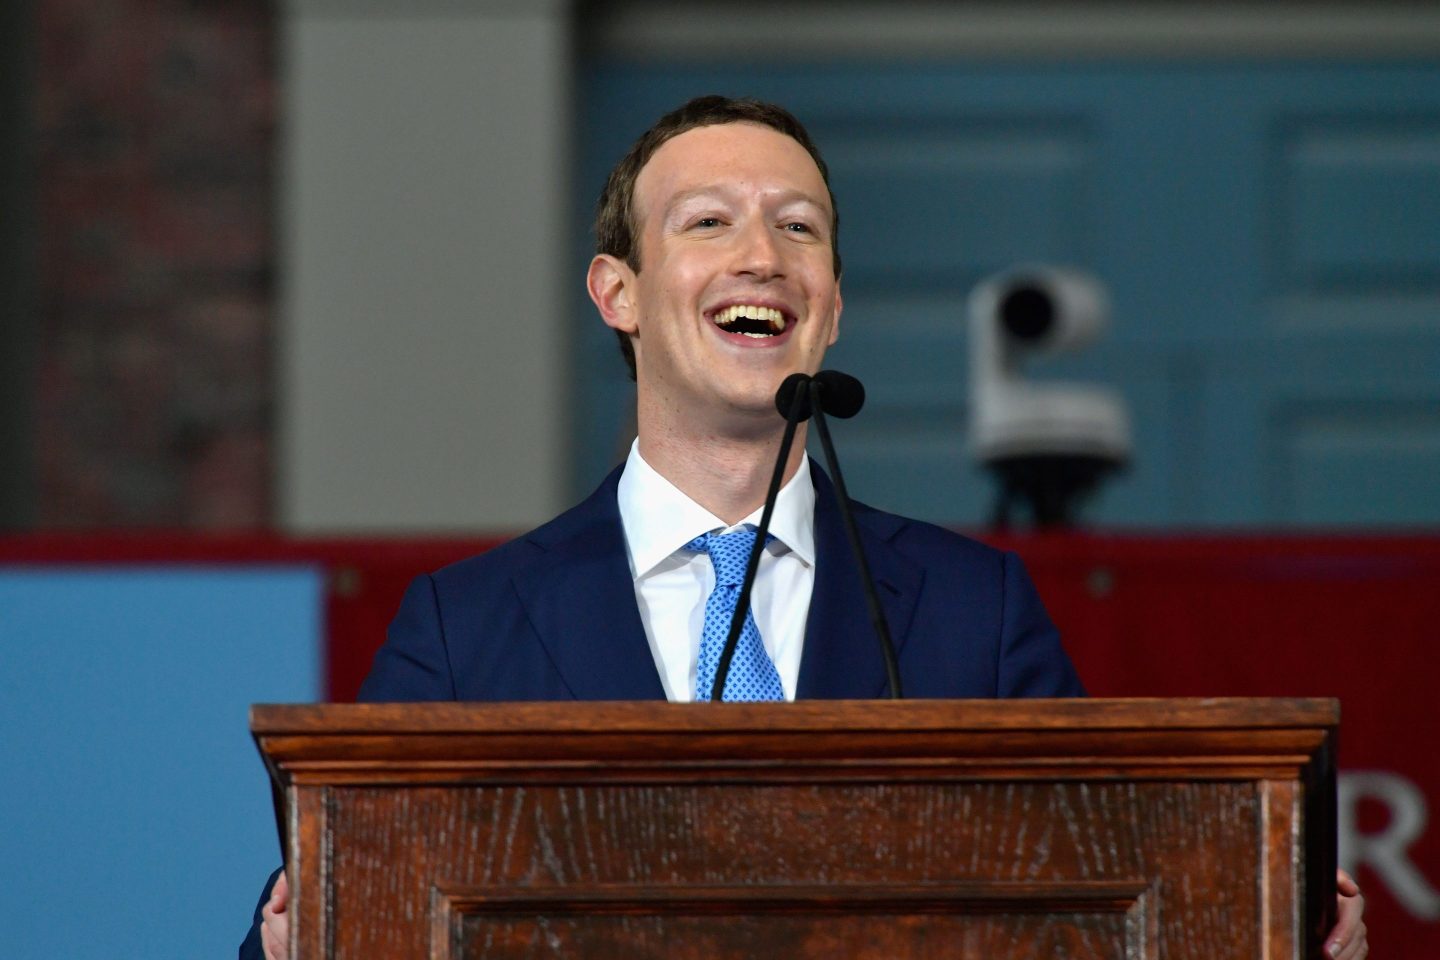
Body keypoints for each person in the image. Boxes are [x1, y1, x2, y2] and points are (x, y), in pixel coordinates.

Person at [241, 95, 1366, 960]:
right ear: (617, 293)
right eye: (707, 223)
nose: (761, 257)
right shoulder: (463, 625)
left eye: (798, 228)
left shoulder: (975, 610)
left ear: (828, 305)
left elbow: (1101, 903)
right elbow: (347, 899)